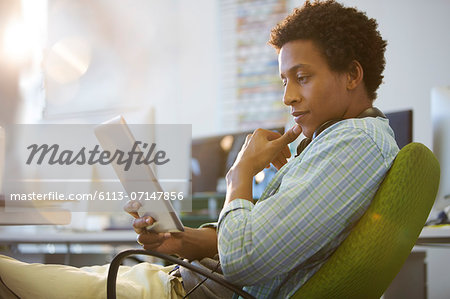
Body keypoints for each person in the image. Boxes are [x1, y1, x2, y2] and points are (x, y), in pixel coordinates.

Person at [0, 1, 399, 298]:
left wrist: (240, 173)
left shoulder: (355, 144)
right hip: (180, 280)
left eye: (303, 77)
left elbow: (246, 259)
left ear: (352, 74)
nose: (289, 97)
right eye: (283, 81)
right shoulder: (335, 142)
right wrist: (183, 241)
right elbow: (263, 242)